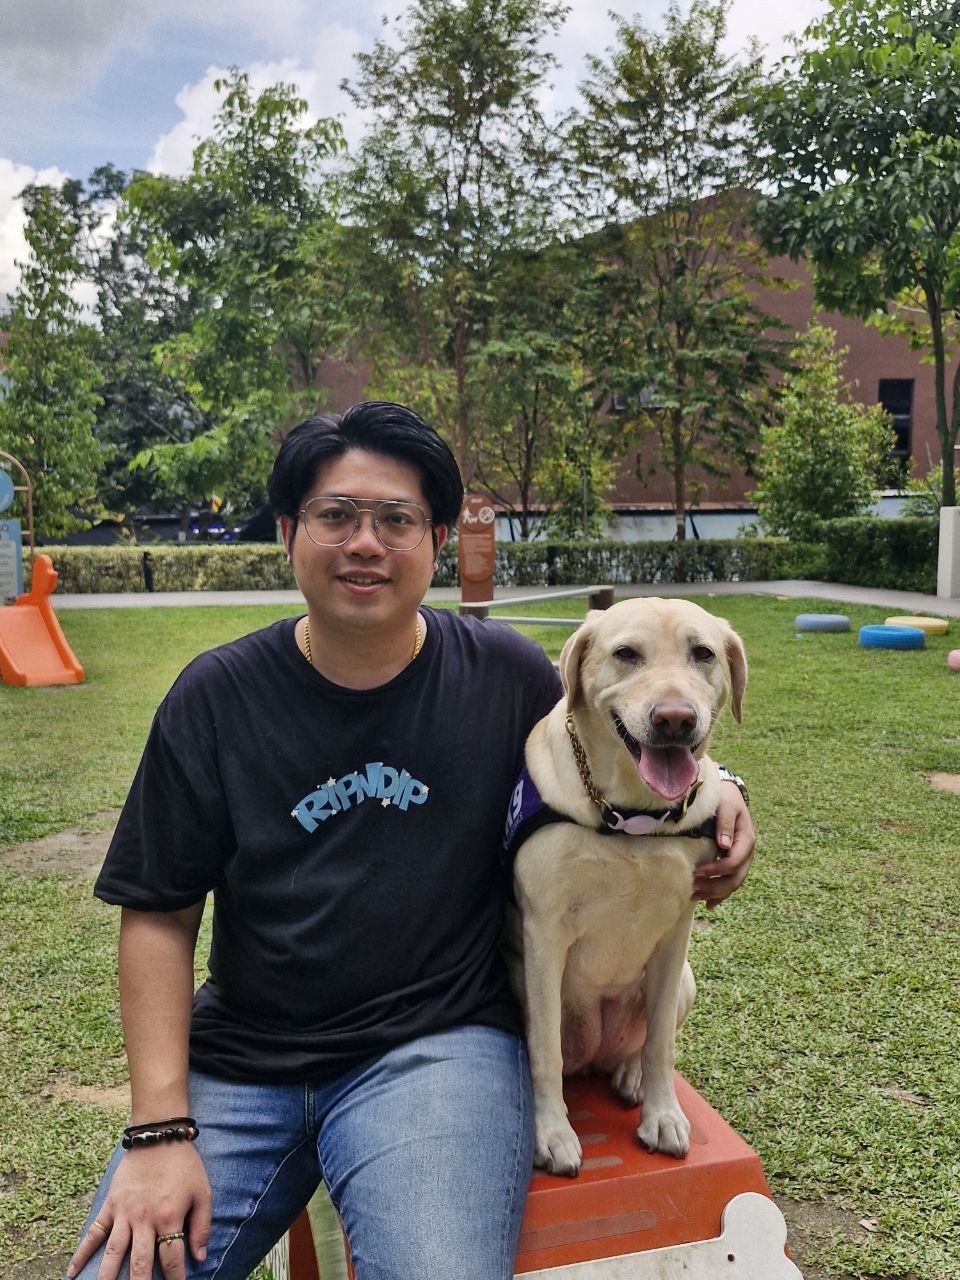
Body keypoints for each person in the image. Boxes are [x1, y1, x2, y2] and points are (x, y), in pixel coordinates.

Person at [67, 401, 755, 1280]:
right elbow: (158, 915)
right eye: (335, 516)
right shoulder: (215, 697)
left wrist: (725, 788)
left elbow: (609, 754)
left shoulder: (503, 674)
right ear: (289, 533)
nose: (366, 543)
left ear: (435, 540)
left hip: (440, 1053)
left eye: (396, 520)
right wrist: (160, 1130)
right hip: (247, 1057)